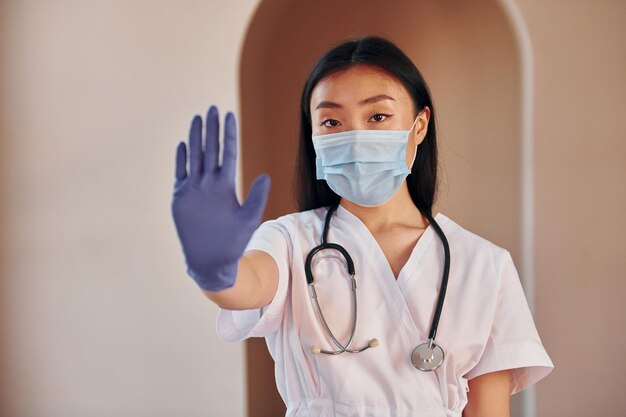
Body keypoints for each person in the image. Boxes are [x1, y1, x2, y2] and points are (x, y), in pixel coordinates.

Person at [171, 36, 553, 417]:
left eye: (378, 117)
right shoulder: (290, 240)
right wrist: (215, 270)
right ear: (314, 137)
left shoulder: (484, 265)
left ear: (419, 125)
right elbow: (245, 285)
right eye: (332, 121)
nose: (354, 138)